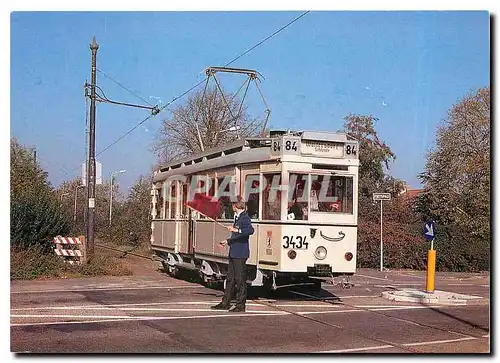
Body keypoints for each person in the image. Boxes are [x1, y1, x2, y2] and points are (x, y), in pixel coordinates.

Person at [211, 198, 254, 312]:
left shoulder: (244, 217)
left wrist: (236, 230)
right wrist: (228, 241)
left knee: (240, 280)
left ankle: (240, 305)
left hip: (240, 253)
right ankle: (225, 302)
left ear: (235, 206)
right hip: (234, 251)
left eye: (232, 205)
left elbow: (250, 231)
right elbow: (238, 236)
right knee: (230, 279)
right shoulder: (238, 217)